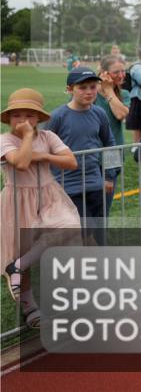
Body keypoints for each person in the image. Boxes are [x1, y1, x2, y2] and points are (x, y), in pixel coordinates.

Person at [1, 89, 80, 327]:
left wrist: (43, 157)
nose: (23, 121)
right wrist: (26, 138)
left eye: (29, 115)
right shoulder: (5, 140)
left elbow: (71, 161)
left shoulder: (48, 137)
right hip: (18, 199)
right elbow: (21, 162)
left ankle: (18, 266)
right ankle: (29, 307)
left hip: (49, 195)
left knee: (70, 226)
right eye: (17, 115)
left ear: (38, 118)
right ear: (9, 118)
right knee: (21, 246)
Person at [46, 66, 117, 244]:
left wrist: (109, 176)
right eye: (82, 87)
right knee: (83, 232)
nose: (89, 92)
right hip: (67, 187)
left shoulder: (99, 113)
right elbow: (43, 149)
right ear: (69, 89)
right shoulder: (57, 117)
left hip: (95, 184)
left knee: (99, 233)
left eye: (93, 87)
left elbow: (110, 143)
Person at [95, 54, 130, 206]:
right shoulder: (89, 94)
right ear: (103, 73)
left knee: (104, 208)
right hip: (90, 155)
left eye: (123, 71)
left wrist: (109, 90)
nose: (121, 75)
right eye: (116, 72)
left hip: (113, 155)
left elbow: (120, 114)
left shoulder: (125, 94)